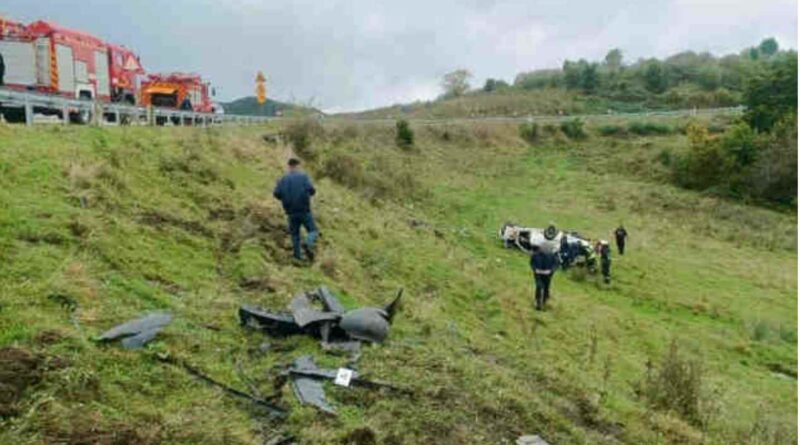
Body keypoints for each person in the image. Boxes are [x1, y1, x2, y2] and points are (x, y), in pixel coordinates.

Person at [273, 158, 318, 262]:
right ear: (297, 166)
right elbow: (312, 190)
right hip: (304, 210)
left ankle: (298, 257)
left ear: (289, 166)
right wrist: (307, 195)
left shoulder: (283, 179)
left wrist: (285, 198)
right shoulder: (303, 177)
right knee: (313, 230)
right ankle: (308, 243)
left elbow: (276, 194)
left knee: (295, 235)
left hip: (290, 212)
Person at [530, 244, 557, 311]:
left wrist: (551, 271)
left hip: (547, 274)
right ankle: (538, 302)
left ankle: (544, 301)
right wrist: (535, 269)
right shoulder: (536, 255)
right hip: (538, 273)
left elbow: (555, 264)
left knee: (546, 287)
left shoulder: (552, 256)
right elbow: (532, 263)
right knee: (539, 286)